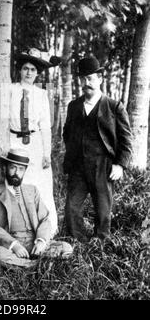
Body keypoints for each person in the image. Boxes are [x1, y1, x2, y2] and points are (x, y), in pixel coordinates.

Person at [63, 56, 133, 242]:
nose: (87, 83)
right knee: (72, 208)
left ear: (100, 78)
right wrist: (71, 156)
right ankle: (77, 244)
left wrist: (120, 165)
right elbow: (67, 134)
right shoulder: (73, 106)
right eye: (84, 79)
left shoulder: (114, 107)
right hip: (78, 166)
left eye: (91, 78)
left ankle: (100, 245)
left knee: (103, 211)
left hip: (102, 166)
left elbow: (126, 140)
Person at [0, 148, 73, 268]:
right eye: (13, 167)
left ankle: (27, 264)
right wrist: (14, 245)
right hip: (12, 244)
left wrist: (41, 242)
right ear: (5, 168)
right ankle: (35, 265)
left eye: (21, 169)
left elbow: (45, 218)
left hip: (34, 240)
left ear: (25, 171)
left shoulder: (32, 191)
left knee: (66, 248)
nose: (16, 172)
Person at [9, 48, 59, 238]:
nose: (28, 73)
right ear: (19, 70)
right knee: (16, 182)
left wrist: (47, 153)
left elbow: (45, 126)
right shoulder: (10, 90)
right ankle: (19, 228)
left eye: (32, 70)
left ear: (37, 73)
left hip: (35, 142)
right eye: (25, 68)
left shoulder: (41, 94)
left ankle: (47, 229)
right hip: (14, 139)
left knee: (40, 184)